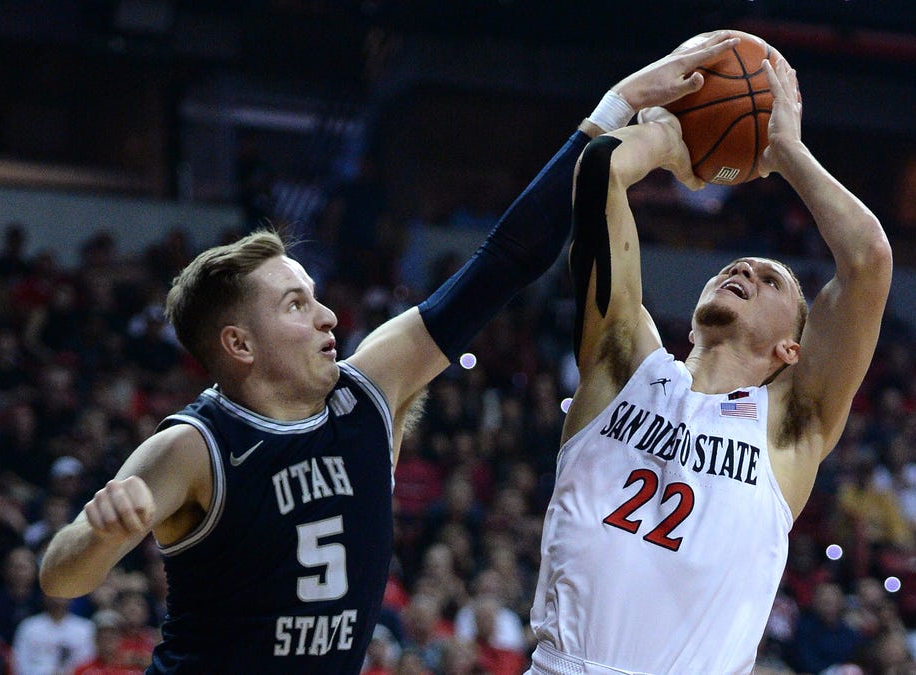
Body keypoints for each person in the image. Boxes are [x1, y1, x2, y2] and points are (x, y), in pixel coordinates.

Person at [37, 31, 743, 674]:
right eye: (294, 304)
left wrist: (617, 106)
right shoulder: (197, 446)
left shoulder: (370, 386)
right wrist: (101, 535)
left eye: (313, 294)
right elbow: (60, 574)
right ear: (238, 344)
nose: (325, 314)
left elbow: (505, 260)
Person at [528, 48, 893, 674]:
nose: (745, 269)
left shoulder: (788, 428)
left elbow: (867, 261)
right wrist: (671, 145)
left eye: (772, 281)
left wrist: (786, 156)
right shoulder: (623, 365)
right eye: (735, 267)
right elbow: (600, 171)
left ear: (791, 350)